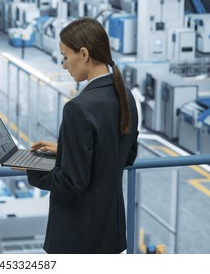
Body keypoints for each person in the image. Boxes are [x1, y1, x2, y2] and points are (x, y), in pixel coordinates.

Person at [24, 17, 139, 254]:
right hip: (111, 232)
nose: (64, 65)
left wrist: (30, 166)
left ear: (84, 54)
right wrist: (66, 148)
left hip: (76, 236)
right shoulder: (126, 96)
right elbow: (125, 156)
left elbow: (71, 182)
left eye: (66, 57)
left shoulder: (78, 108)